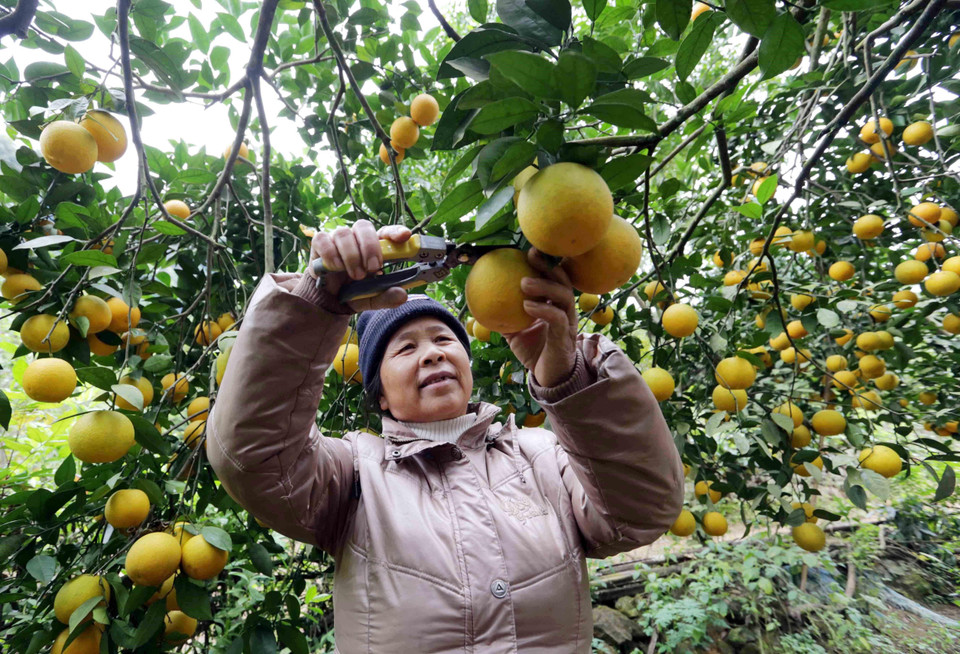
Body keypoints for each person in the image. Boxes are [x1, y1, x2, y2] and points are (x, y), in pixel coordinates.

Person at [207, 219, 684, 653]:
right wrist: (315, 305)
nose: (432, 354)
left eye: (443, 339)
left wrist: (570, 378)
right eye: (406, 348)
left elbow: (641, 510)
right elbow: (255, 455)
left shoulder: (544, 458)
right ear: (382, 397)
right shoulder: (355, 474)